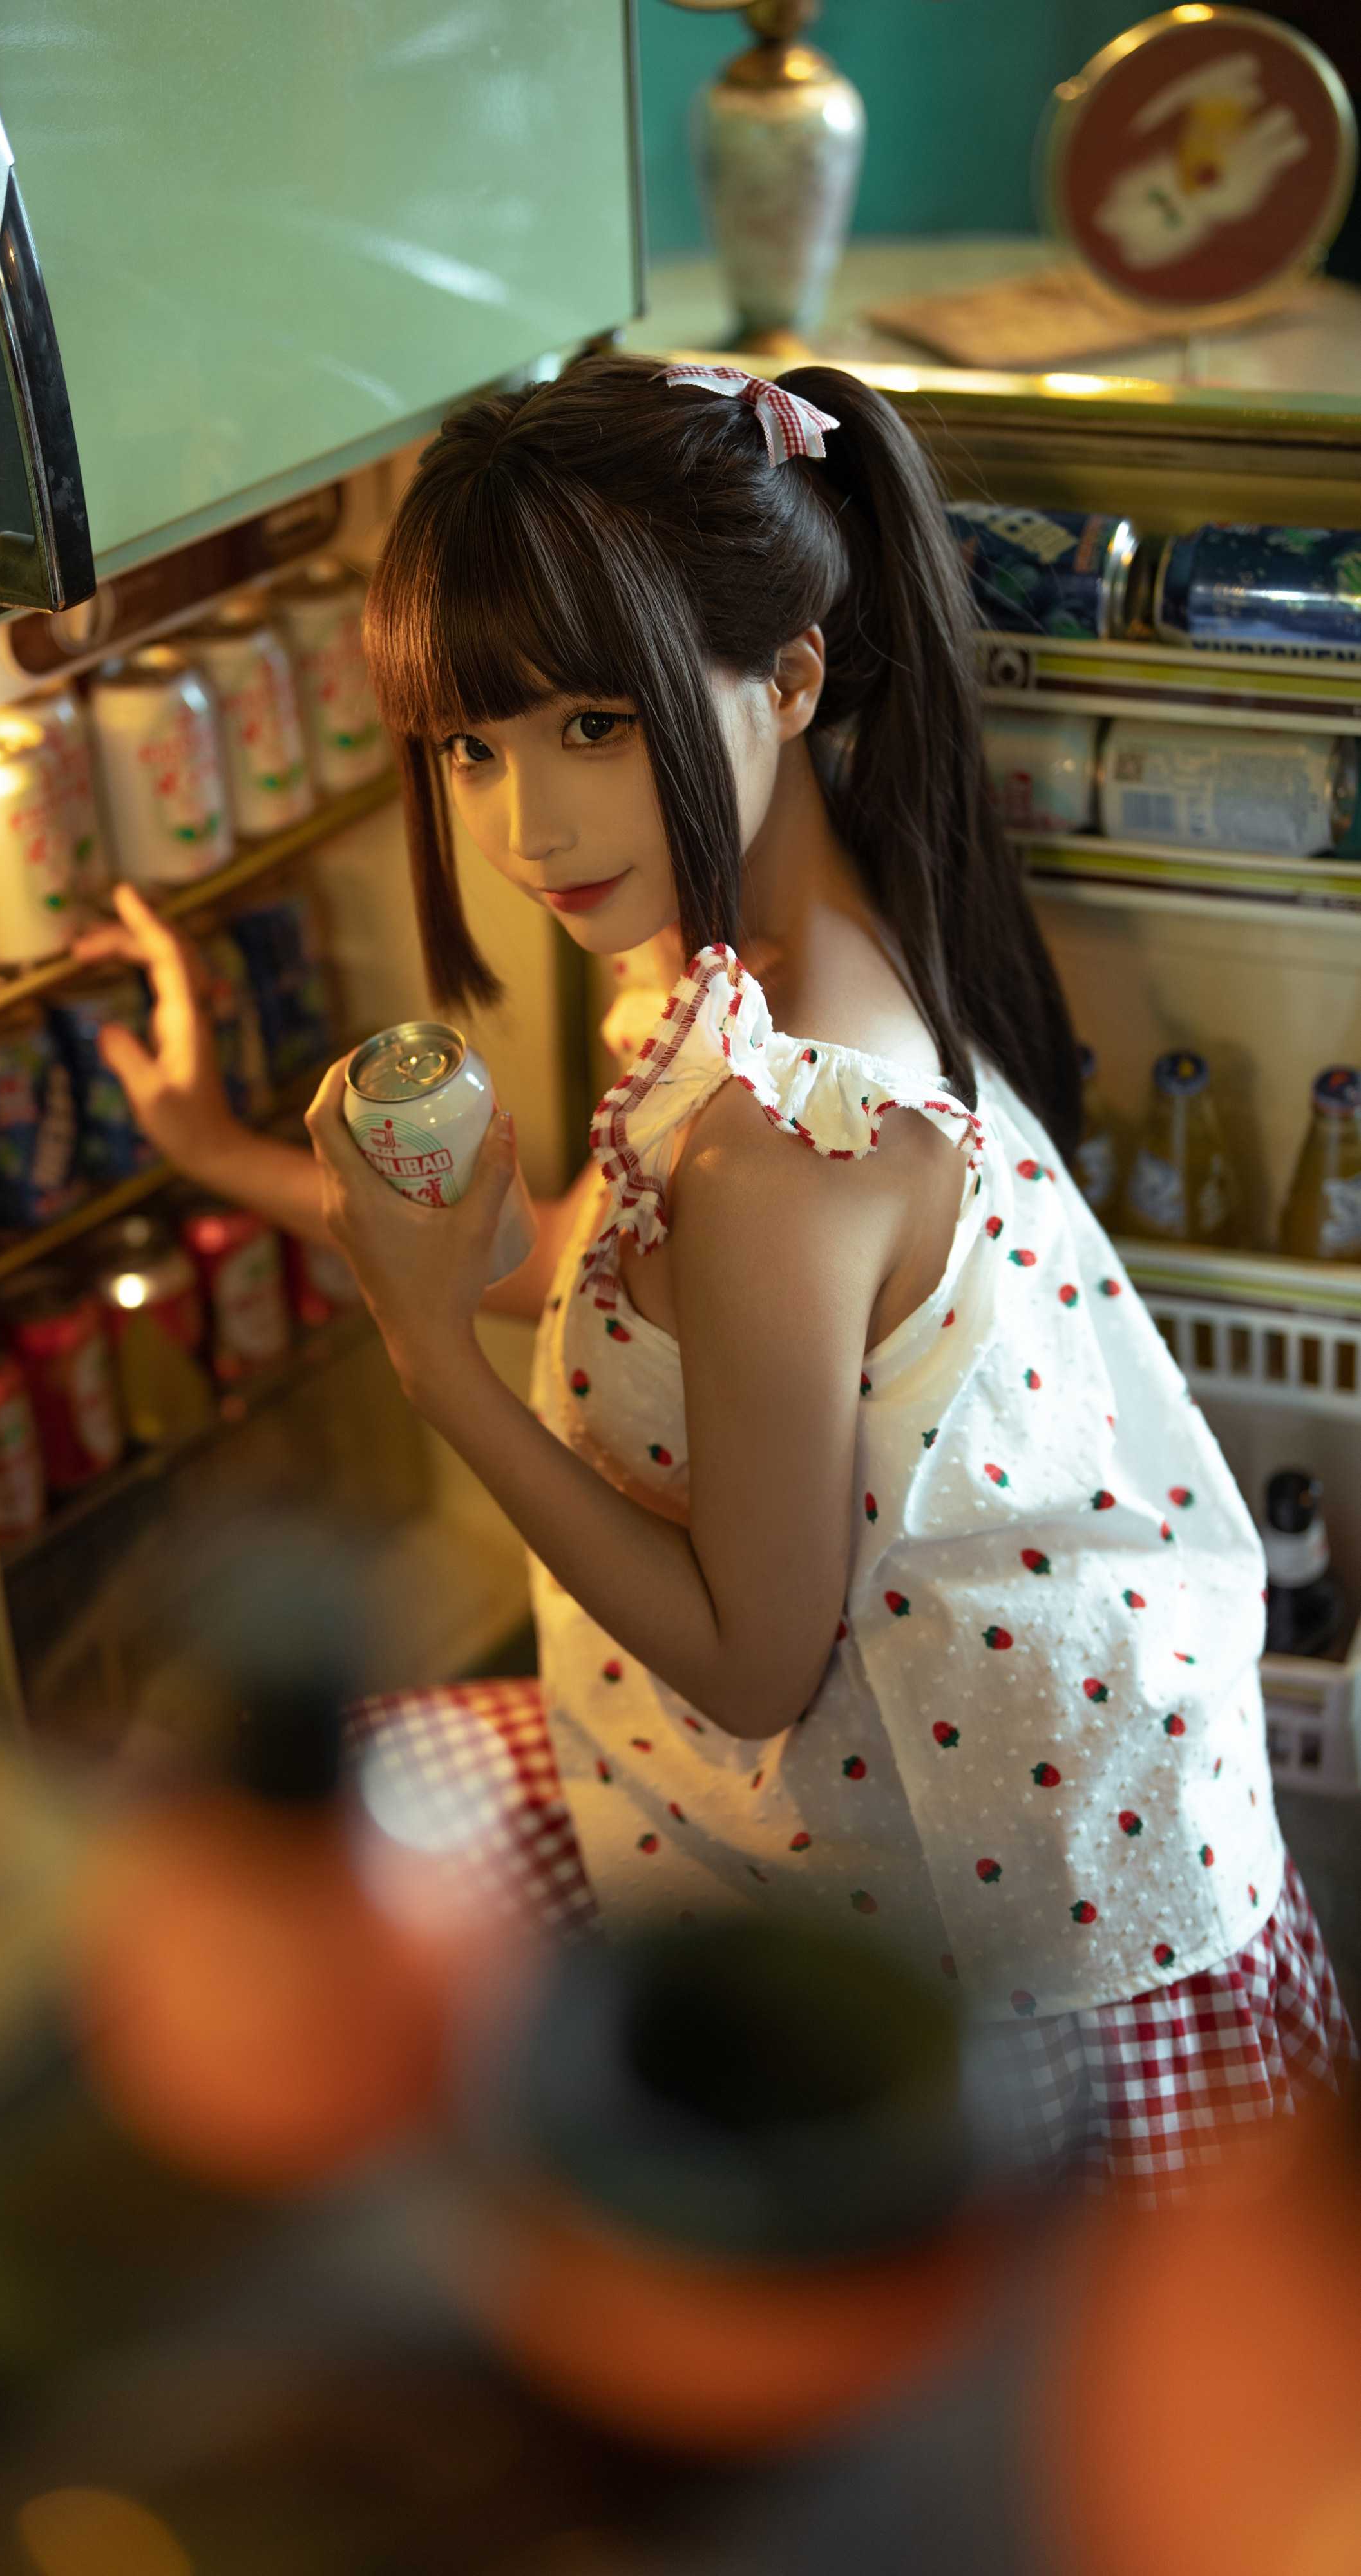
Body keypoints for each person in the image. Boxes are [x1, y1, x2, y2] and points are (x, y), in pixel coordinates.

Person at [77, 353, 1353, 2197]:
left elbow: (751, 1667)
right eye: (474, 746)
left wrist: (434, 1368)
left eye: (595, 725)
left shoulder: (778, 1147)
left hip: (1006, 1922)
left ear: (795, 677)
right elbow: (578, 1265)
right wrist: (222, 1154)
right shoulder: (749, 959)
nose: (526, 825)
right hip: (966, 1782)